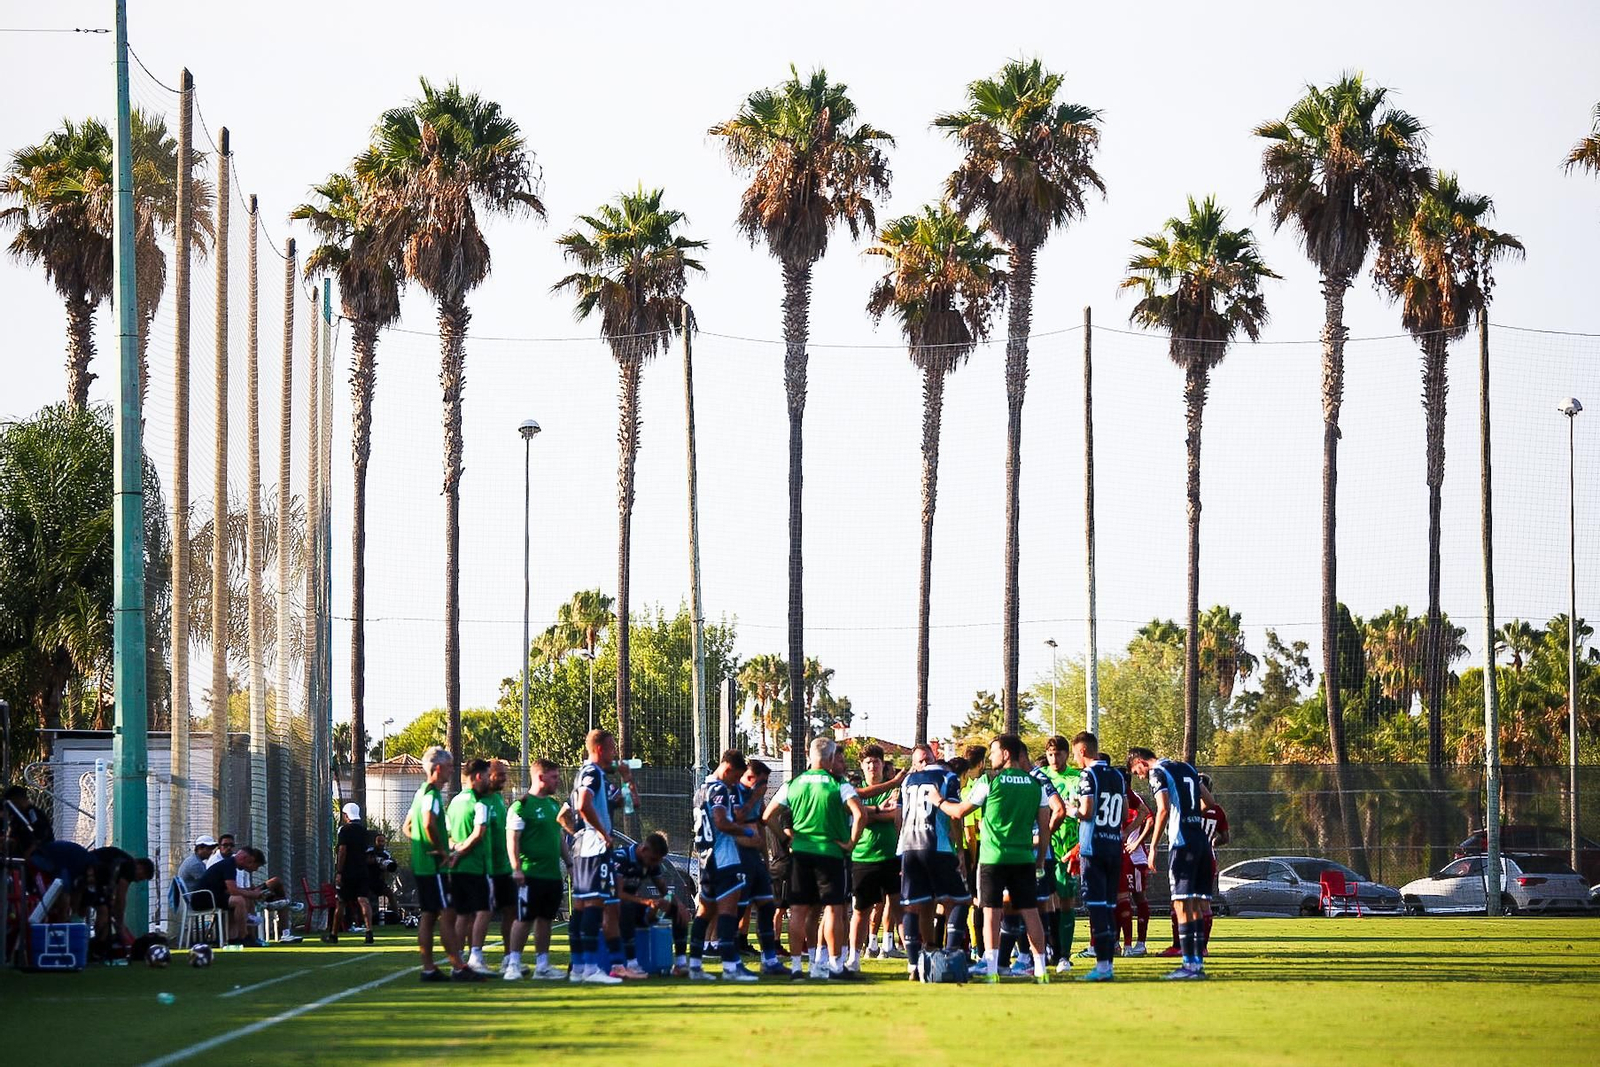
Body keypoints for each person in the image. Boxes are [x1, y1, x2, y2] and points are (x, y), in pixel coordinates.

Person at [763, 737, 866, 980]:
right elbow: (860, 814)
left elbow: (768, 816)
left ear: (810, 756)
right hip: (830, 854)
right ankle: (834, 966)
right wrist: (851, 842)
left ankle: (798, 967)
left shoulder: (793, 784)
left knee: (798, 911)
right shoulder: (838, 784)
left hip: (800, 855)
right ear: (830, 758)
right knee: (833, 909)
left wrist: (788, 839)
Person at [950, 734, 1050, 983]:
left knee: (991, 912)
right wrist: (1039, 860)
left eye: (993, 752)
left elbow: (960, 811)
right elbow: (1045, 826)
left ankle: (992, 969)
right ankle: (1041, 969)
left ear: (1006, 754)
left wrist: (938, 802)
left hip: (993, 857)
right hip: (1024, 857)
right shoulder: (1034, 783)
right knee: (1030, 912)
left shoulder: (989, 780)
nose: (990, 758)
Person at [1128, 746, 1217, 980]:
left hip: (1182, 843)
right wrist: (1190, 813)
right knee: (1196, 905)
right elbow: (1209, 801)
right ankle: (1196, 965)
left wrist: (1153, 846)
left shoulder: (1158, 772)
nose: (1140, 776)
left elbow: (1163, 809)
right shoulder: (1186, 768)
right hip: (1201, 842)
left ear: (1140, 763)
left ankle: (1189, 967)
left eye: (1137, 772)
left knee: (1181, 905)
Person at [403, 745, 481, 982]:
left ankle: (429, 968)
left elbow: (408, 827)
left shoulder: (420, 793)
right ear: (437, 769)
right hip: (433, 866)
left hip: (423, 864)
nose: (451, 772)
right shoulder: (431, 795)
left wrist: (426, 845)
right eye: (448, 767)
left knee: (429, 915)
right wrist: (439, 849)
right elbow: (427, 824)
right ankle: (458, 967)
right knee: (447, 914)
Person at [895, 744, 971, 980]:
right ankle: (950, 954)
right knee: (960, 899)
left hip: (909, 846)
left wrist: (901, 845)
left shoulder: (907, 781)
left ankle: (915, 964)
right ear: (936, 757)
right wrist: (959, 848)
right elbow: (955, 814)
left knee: (916, 904)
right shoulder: (948, 777)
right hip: (937, 845)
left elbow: (900, 814)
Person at [689, 749, 757, 982]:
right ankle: (731, 966)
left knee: (704, 913)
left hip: (705, 859)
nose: (735, 782)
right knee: (728, 913)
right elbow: (720, 821)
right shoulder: (719, 788)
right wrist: (744, 830)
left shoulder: (701, 790)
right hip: (724, 858)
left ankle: (695, 965)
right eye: (736, 777)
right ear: (728, 769)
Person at [563, 729, 623, 984]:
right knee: (594, 906)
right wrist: (602, 833)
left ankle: (578, 967)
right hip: (594, 849)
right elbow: (583, 805)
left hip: (583, 849)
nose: (614, 754)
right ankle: (589, 968)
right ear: (599, 749)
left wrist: (628, 782)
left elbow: (628, 804)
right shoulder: (592, 773)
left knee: (580, 908)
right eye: (611, 749)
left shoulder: (589, 774)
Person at [1070, 731, 1127, 982]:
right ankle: (1108, 964)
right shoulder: (1117, 775)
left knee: (1096, 908)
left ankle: (1103, 966)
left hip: (1093, 848)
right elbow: (1124, 813)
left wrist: (1071, 809)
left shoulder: (1087, 774)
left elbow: (1086, 810)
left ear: (1082, 751)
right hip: (1114, 847)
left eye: (1075, 754)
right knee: (1110, 906)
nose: (1075, 759)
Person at [504, 759, 566, 981]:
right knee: (524, 919)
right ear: (541, 777)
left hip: (552, 875)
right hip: (529, 875)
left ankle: (542, 965)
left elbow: (558, 838)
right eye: (554, 777)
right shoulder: (521, 806)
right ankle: (513, 964)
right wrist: (516, 869)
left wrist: (569, 863)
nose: (557, 781)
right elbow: (512, 839)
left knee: (546, 919)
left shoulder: (553, 805)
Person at [845, 745, 902, 972]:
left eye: (876, 761)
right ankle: (853, 958)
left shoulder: (894, 792)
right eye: (868, 762)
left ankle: (914, 960)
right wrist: (877, 812)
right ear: (862, 766)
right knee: (861, 911)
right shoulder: (852, 791)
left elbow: (895, 815)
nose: (872, 766)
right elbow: (856, 814)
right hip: (863, 857)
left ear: (882, 764)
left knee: (900, 910)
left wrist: (868, 813)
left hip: (891, 857)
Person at [734, 758, 785, 975]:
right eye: (753, 779)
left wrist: (766, 857)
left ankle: (769, 959)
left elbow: (761, 826)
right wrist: (754, 796)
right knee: (733, 910)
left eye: (762, 781)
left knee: (766, 905)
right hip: (736, 859)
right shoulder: (733, 793)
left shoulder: (757, 799)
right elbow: (734, 822)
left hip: (755, 859)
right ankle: (730, 956)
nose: (757, 785)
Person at [447, 758, 495, 973]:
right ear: (477, 777)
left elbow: (447, 835)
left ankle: (458, 962)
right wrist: (462, 851)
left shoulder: (455, 802)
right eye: (486, 776)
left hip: (457, 869)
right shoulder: (480, 803)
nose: (488, 780)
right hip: (476, 866)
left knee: (463, 914)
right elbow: (478, 834)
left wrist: (455, 849)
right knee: (483, 911)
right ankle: (476, 956)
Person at [1040, 736, 1083, 972]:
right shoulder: (1040, 777)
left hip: (1068, 848)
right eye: (1050, 755)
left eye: (1058, 754)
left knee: (1066, 900)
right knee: (1044, 900)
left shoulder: (1077, 778)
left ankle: (1064, 954)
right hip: (1044, 847)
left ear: (1067, 754)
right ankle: (1049, 951)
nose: (1054, 759)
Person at [82, 846, 155, 955]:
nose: (139, 881)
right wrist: (120, 923)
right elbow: (121, 896)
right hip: (89, 875)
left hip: (92, 876)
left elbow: (114, 896)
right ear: (140, 867)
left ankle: (98, 946)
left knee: (103, 909)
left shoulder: (120, 864)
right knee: (103, 911)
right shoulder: (130, 866)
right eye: (142, 877)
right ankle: (98, 949)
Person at [194, 846, 268, 947]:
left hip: (213, 896)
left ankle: (234, 938)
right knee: (239, 901)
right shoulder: (229, 865)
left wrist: (250, 893)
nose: (249, 866)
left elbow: (231, 889)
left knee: (242, 899)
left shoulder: (230, 865)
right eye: (249, 862)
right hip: (203, 899)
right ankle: (244, 936)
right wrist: (253, 894)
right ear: (243, 858)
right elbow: (232, 890)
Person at [484, 759, 517, 970]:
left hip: (504, 868)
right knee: (479, 915)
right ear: (488, 774)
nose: (504, 778)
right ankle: (473, 955)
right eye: (500, 774)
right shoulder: (476, 800)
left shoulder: (498, 798)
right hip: (484, 869)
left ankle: (508, 957)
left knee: (511, 912)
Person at [331, 802, 374, 945]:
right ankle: (369, 931)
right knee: (363, 900)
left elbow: (342, 851)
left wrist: (339, 871)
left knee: (341, 902)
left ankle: (334, 934)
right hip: (362, 870)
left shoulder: (344, 830)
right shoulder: (364, 831)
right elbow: (368, 853)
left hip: (348, 871)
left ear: (346, 815)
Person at [3, 784, 54, 860]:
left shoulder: (33, 813)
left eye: (13, 803)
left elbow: (41, 835)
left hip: (40, 856)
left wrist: (29, 852)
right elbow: (12, 835)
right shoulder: (17, 817)